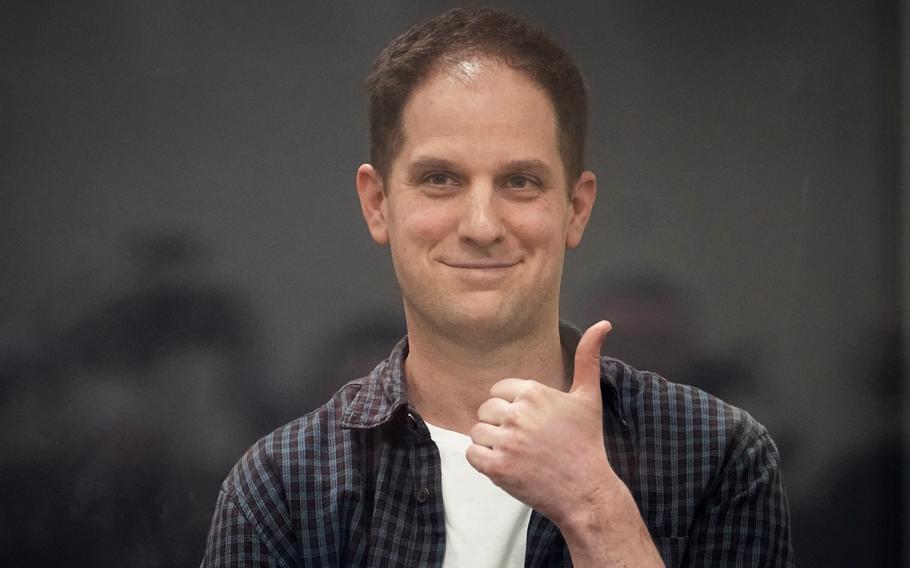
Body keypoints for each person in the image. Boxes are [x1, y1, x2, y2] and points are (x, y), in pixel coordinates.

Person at [201, 7, 793, 567]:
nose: (482, 226)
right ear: (378, 203)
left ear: (576, 208)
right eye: (439, 179)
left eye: (520, 181)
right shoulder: (282, 488)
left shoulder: (717, 455)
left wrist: (595, 507)